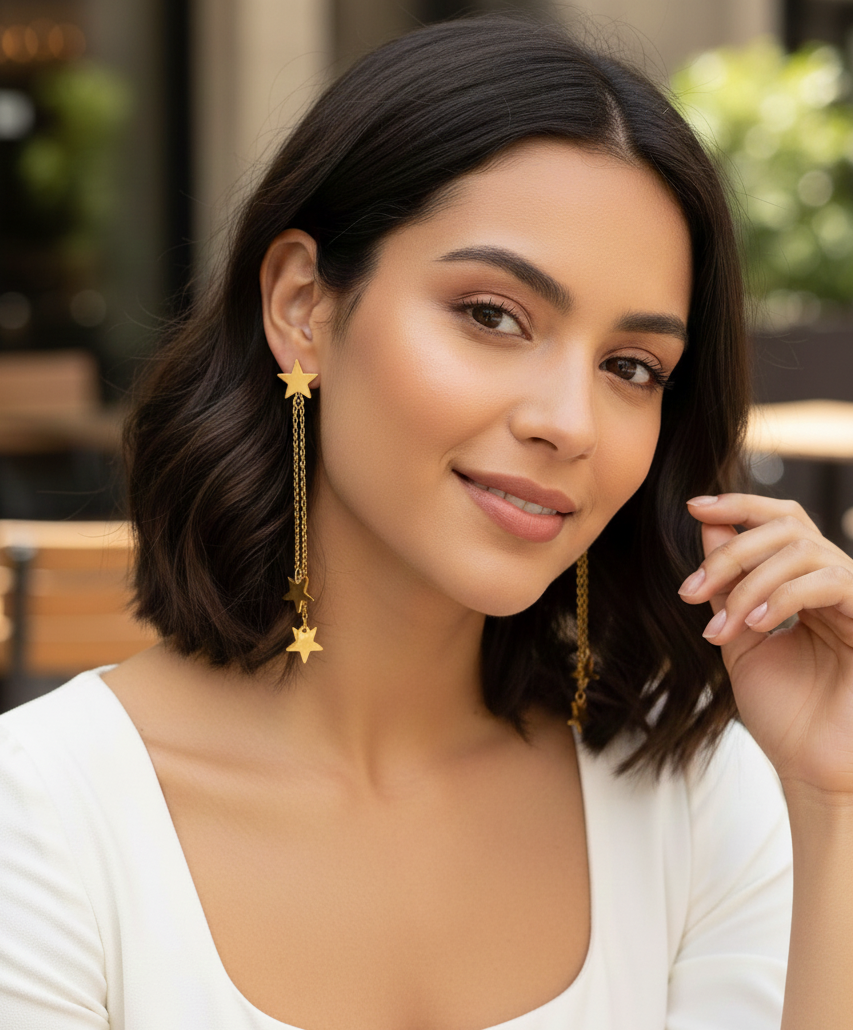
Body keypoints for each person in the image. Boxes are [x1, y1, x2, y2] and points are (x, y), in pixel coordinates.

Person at [2, 13, 852, 1029]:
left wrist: (829, 800)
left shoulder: (695, 804)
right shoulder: (44, 819)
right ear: (304, 306)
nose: (567, 423)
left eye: (631, 367)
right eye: (492, 314)